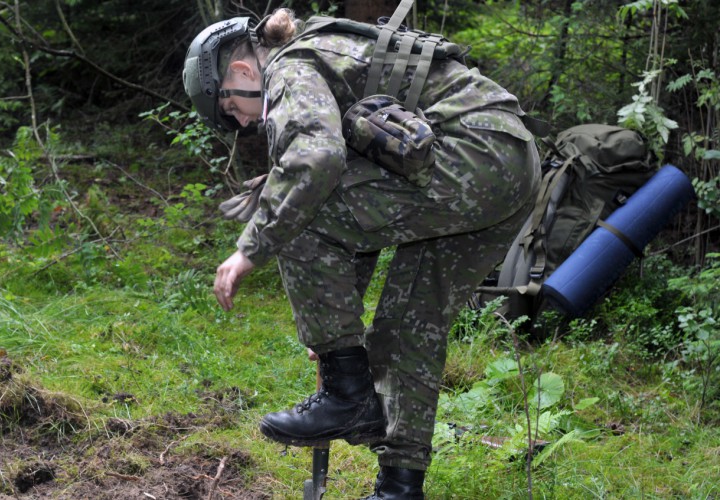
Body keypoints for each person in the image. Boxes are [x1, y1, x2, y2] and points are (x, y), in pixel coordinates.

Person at [183, 7, 540, 499]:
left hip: (467, 152)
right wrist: (336, 322)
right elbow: (363, 207)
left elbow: (317, 162)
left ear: (242, 72)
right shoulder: (322, 53)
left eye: (232, 109)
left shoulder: (288, 67)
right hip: (508, 160)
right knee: (413, 320)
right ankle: (399, 487)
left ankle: (348, 396)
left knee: (296, 206)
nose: (244, 122)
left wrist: (250, 250)